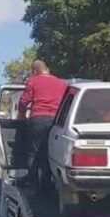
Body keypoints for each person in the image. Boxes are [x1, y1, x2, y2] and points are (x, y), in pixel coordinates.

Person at [16, 60, 68, 191]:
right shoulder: (62, 83)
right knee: (49, 153)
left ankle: (34, 186)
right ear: (47, 69)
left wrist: (21, 116)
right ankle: (47, 185)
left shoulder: (33, 81)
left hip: (37, 119)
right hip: (56, 122)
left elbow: (23, 102)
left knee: (33, 153)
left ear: (35, 71)